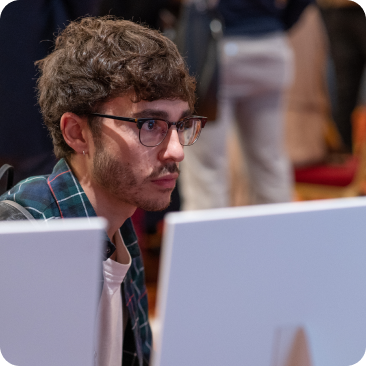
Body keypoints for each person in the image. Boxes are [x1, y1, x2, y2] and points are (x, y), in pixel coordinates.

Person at [0, 16, 203, 366]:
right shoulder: (24, 236)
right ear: (78, 133)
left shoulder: (119, 230)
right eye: (150, 124)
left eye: (180, 124)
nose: (176, 151)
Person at [179, 0, 312, 209]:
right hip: (270, 45)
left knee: (207, 168)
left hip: (216, 48)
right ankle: (280, 239)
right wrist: (272, 23)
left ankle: (208, 241)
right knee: (270, 162)